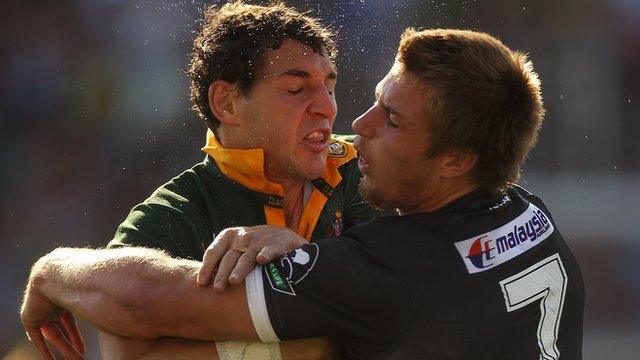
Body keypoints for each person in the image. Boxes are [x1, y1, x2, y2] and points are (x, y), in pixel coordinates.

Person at [21, 28, 585, 359]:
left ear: (457, 160)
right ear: (226, 103)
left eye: (391, 118)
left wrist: (50, 268)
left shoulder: (391, 266)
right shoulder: (532, 216)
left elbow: (138, 303)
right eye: (298, 88)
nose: (352, 123)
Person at [62, 2, 387, 359]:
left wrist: (306, 260)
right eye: (296, 89)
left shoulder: (364, 166)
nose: (326, 107)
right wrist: (302, 349)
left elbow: (413, 286)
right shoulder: (177, 211)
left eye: (329, 86)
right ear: (227, 103)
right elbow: (123, 350)